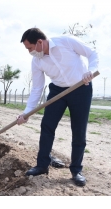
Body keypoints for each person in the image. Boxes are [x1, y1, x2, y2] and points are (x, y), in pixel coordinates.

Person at [17, 28, 99, 186]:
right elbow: (37, 88)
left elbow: (92, 53)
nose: (29, 52)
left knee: (79, 130)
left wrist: (91, 70)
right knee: (47, 126)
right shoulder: (37, 61)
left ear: (40, 42)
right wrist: (26, 113)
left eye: (30, 48)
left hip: (81, 88)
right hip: (57, 91)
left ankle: (76, 170)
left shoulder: (66, 41)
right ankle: (42, 165)